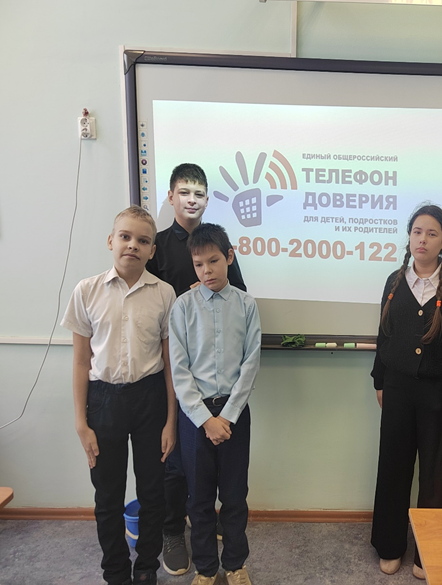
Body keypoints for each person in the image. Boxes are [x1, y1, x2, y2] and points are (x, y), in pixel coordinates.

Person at [62, 206, 177, 585]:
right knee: (107, 495)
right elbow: (81, 361)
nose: (132, 245)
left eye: (143, 241)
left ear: (152, 250)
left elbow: (170, 363)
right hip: (103, 401)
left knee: (153, 492)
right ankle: (115, 571)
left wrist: (171, 422)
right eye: (125, 237)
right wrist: (81, 423)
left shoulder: (164, 294)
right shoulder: (87, 290)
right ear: (111, 240)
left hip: (150, 400)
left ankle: (145, 568)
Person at [146, 163, 247, 576]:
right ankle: (173, 530)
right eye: (184, 192)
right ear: (170, 197)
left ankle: (217, 539)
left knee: (224, 482)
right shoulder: (157, 245)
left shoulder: (220, 246)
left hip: (221, 385)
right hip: (169, 368)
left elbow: (240, 299)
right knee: (174, 462)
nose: (192, 199)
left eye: (199, 193)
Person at [370, 204, 442, 580]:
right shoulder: (394, 281)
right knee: (393, 467)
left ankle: (428, 550)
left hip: (439, 395)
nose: (423, 239)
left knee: (435, 474)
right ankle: (389, 545)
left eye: (432, 234)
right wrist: (379, 381)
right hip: (397, 390)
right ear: (409, 237)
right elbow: (384, 335)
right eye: (417, 232)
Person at [168, 223, 261, 585]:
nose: (206, 271)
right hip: (196, 418)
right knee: (199, 499)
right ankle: (206, 569)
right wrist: (206, 420)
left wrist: (229, 415)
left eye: (214, 261)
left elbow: (250, 363)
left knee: (235, 496)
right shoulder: (183, 307)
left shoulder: (247, 305)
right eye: (198, 264)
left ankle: (235, 565)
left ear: (229, 257)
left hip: (235, 414)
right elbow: (179, 370)